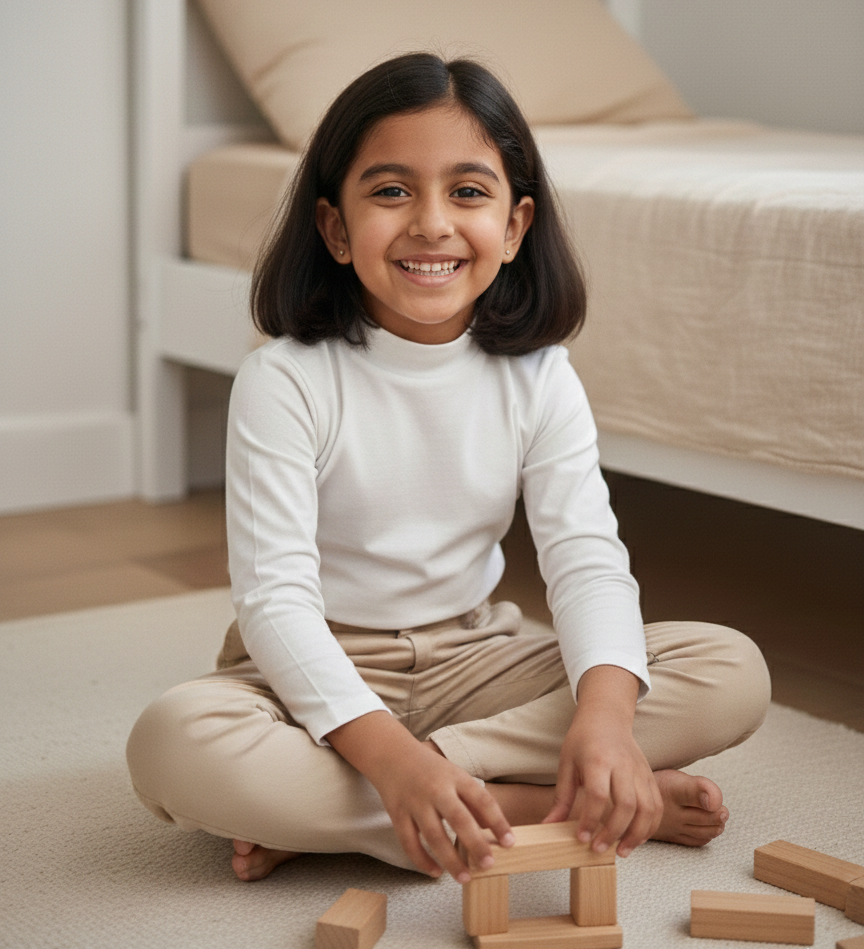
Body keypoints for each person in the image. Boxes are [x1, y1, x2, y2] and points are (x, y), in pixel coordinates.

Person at [126, 52, 771, 885]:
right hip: (316, 664)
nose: (432, 224)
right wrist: (390, 759)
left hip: (476, 657)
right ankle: (520, 805)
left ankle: (363, 810)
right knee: (172, 742)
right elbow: (274, 603)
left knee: (730, 669)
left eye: (468, 192)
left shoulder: (540, 376)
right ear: (334, 228)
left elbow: (586, 560)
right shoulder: (283, 379)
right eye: (391, 191)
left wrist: (607, 727)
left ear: (515, 225)